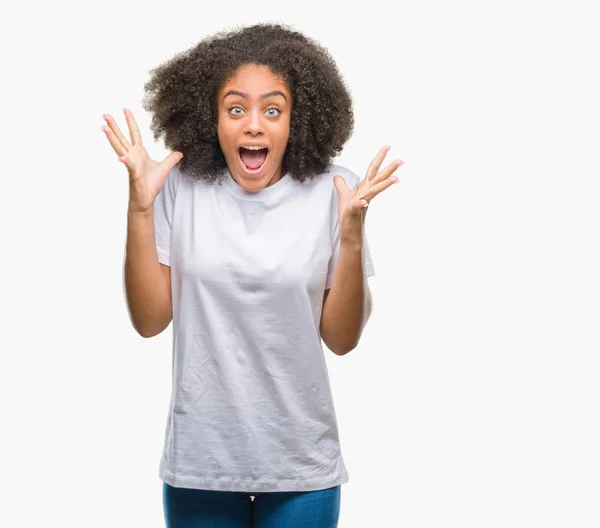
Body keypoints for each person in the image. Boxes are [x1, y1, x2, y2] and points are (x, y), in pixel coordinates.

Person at [102, 22, 402, 528]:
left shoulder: (339, 191)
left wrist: (350, 235)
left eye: (273, 110)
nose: (254, 126)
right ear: (211, 118)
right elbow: (150, 321)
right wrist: (139, 208)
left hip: (300, 465)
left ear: (296, 120)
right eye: (236, 108)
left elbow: (342, 340)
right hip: (202, 462)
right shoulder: (178, 187)